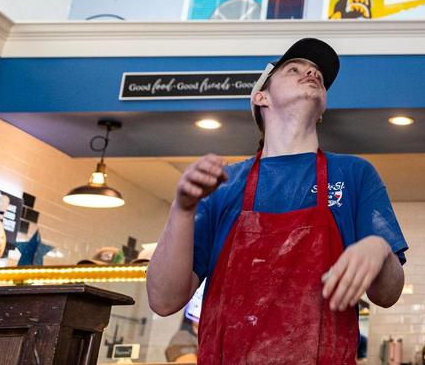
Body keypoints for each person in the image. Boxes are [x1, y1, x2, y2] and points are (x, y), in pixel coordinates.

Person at [147, 38, 408, 364]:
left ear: (323, 109)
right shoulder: (224, 186)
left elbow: (388, 294)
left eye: (317, 74)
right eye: (294, 69)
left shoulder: (355, 175)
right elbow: (163, 299)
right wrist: (182, 209)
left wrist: (380, 249)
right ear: (261, 97)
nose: (311, 72)